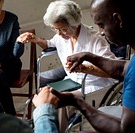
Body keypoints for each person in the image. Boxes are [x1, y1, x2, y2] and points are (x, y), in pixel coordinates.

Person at [33, 0, 135, 132]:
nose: (101, 32)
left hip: (95, 86)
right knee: (47, 93)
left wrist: (87, 70)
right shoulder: (61, 37)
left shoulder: (95, 39)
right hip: (73, 82)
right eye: (55, 29)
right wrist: (88, 56)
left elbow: (125, 129)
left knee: (56, 100)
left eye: (101, 25)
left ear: (118, 20)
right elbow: (123, 68)